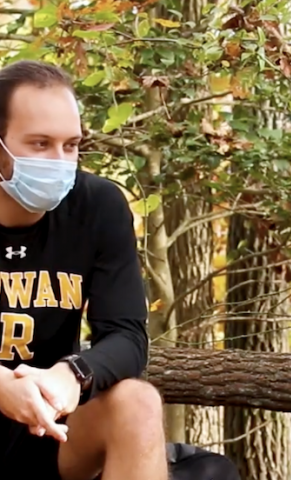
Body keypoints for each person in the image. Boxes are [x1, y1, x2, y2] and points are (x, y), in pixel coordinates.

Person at [0, 60, 168, 479]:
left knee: (138, 401)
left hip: (50, 433)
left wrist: (72, 374)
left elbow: (128, 335)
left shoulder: (98, 206)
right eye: (40, 144)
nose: (60, 162)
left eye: (71, 145)